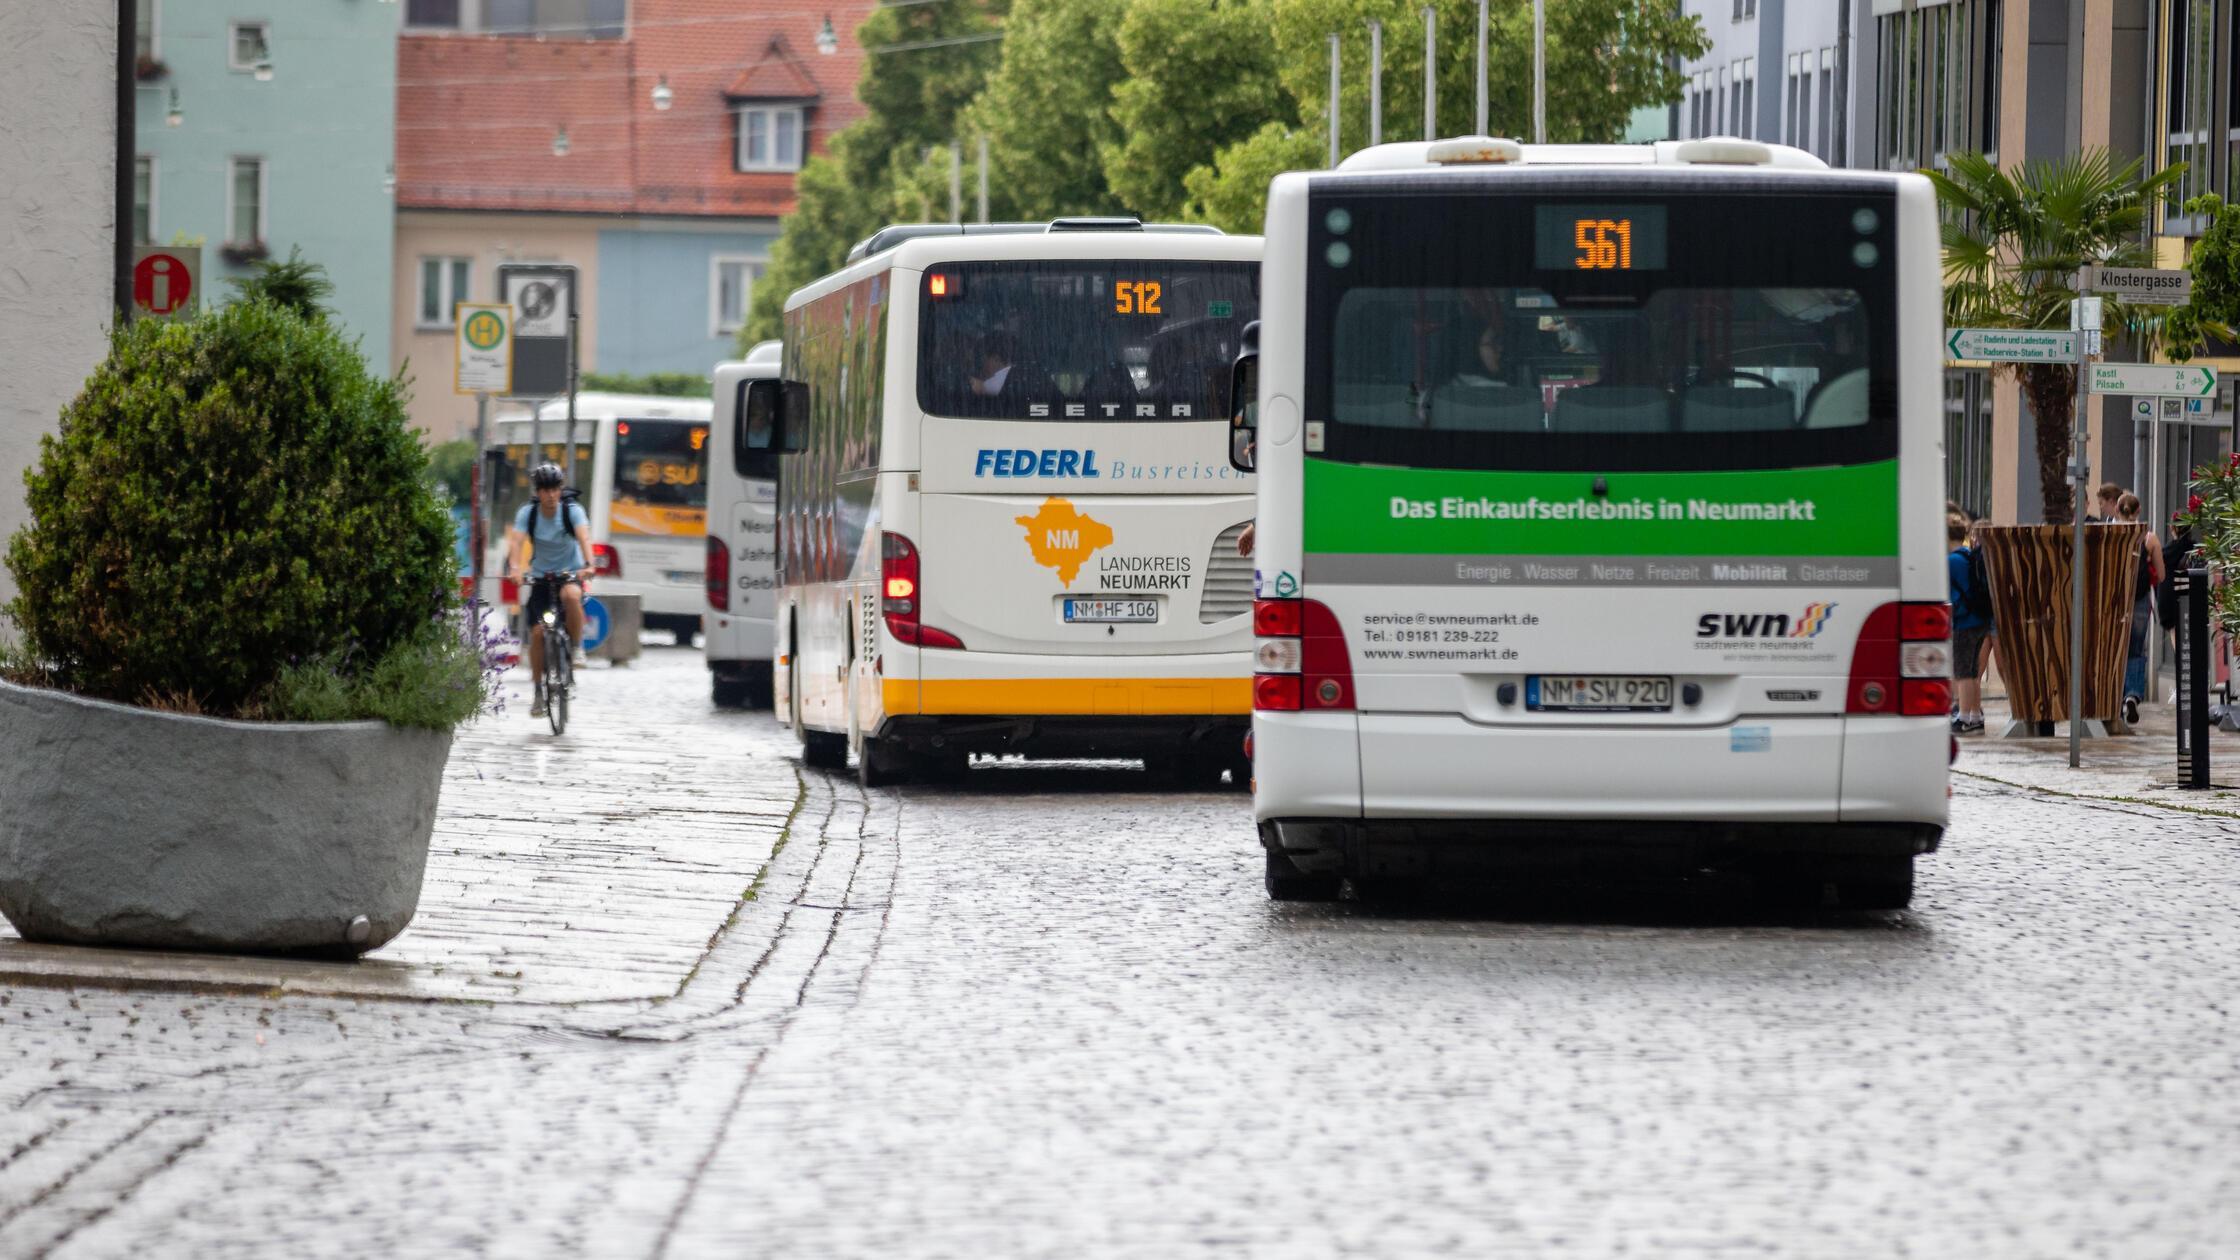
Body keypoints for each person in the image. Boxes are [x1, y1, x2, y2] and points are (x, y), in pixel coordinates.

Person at [508, 463, 594, 718]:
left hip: (569, 574)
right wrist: (514, 568)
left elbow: (584, 538)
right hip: (541, 578)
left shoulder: (572, 511)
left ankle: (577, 649)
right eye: (545, 489)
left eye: (555, 488)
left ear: (561, 489)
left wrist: (589, 564)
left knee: (571, 596)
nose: (550, 495)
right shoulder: (529, 513)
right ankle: (537, 692)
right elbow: (516, 541)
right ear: (537, 491)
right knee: (536, 634)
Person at [2116, 491, 2163, 724]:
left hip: (2114, 601)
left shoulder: (2112, 535)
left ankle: (2115, 697)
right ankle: (2132, 695)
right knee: (2136, 650)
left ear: (2117, 510)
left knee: (2116, 650)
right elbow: (2162, 574)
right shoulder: (2149, 538)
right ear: (2139, 510)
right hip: (2140, 600)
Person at [1948, 512, 1993, 734]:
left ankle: (1964, 717)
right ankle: (1975, 715)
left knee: (1963, 671)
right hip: (1980, 620)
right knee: (1974, 671)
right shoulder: (1967, 555)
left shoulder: (1951, 561)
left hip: (1963, 622)